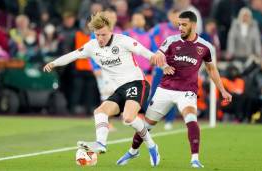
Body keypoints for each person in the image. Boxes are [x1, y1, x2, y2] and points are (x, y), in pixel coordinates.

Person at [43, 12, 164, 166]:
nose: (100, 38)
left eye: (104, 35)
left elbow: (144, 52)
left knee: (128, 118)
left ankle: (152, 146)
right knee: (100, 111)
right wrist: (54, 63)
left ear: (111, 31)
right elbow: (72, 55)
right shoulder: (91, 46)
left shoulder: (123, 40)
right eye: (97, 34)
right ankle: (101, 143)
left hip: (137, 83)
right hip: (120, 89)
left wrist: (156, 58)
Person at [116, 11, 232, 168]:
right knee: (146, 126)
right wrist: (164, 65)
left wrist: (223, 90)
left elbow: (212, 70)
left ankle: (195, 159)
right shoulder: (171, 41)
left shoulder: (205, 47)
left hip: (187, 92)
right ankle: (132, 151)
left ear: (193, 25)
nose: (180, 28)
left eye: (184, 25)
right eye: (179, 24)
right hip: (165, 89)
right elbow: (157, 55)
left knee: (191, 119)